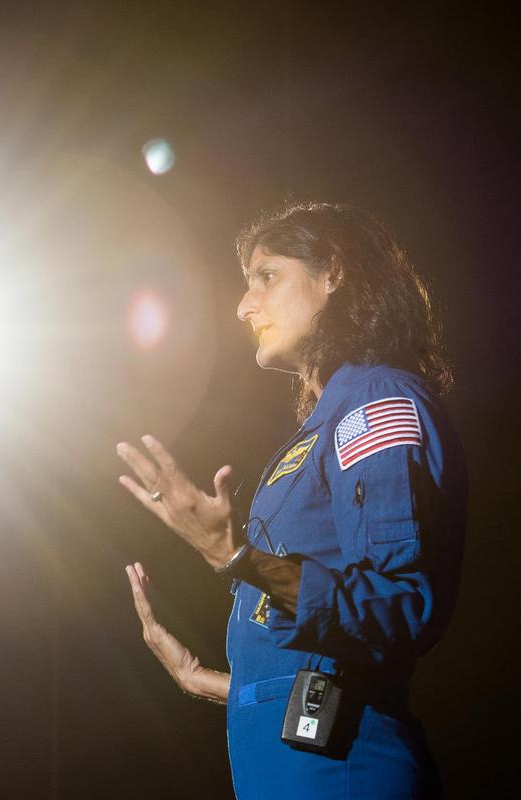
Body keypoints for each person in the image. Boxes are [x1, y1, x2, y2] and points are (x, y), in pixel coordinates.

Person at [116, 202, 466, 800]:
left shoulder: (375, 403)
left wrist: (236, 556)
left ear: (334, 273)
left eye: (267, 276)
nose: (243, 305)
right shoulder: (321, 428)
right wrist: (209, 680)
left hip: (345, 775)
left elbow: (399, 605)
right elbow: (313, 668)